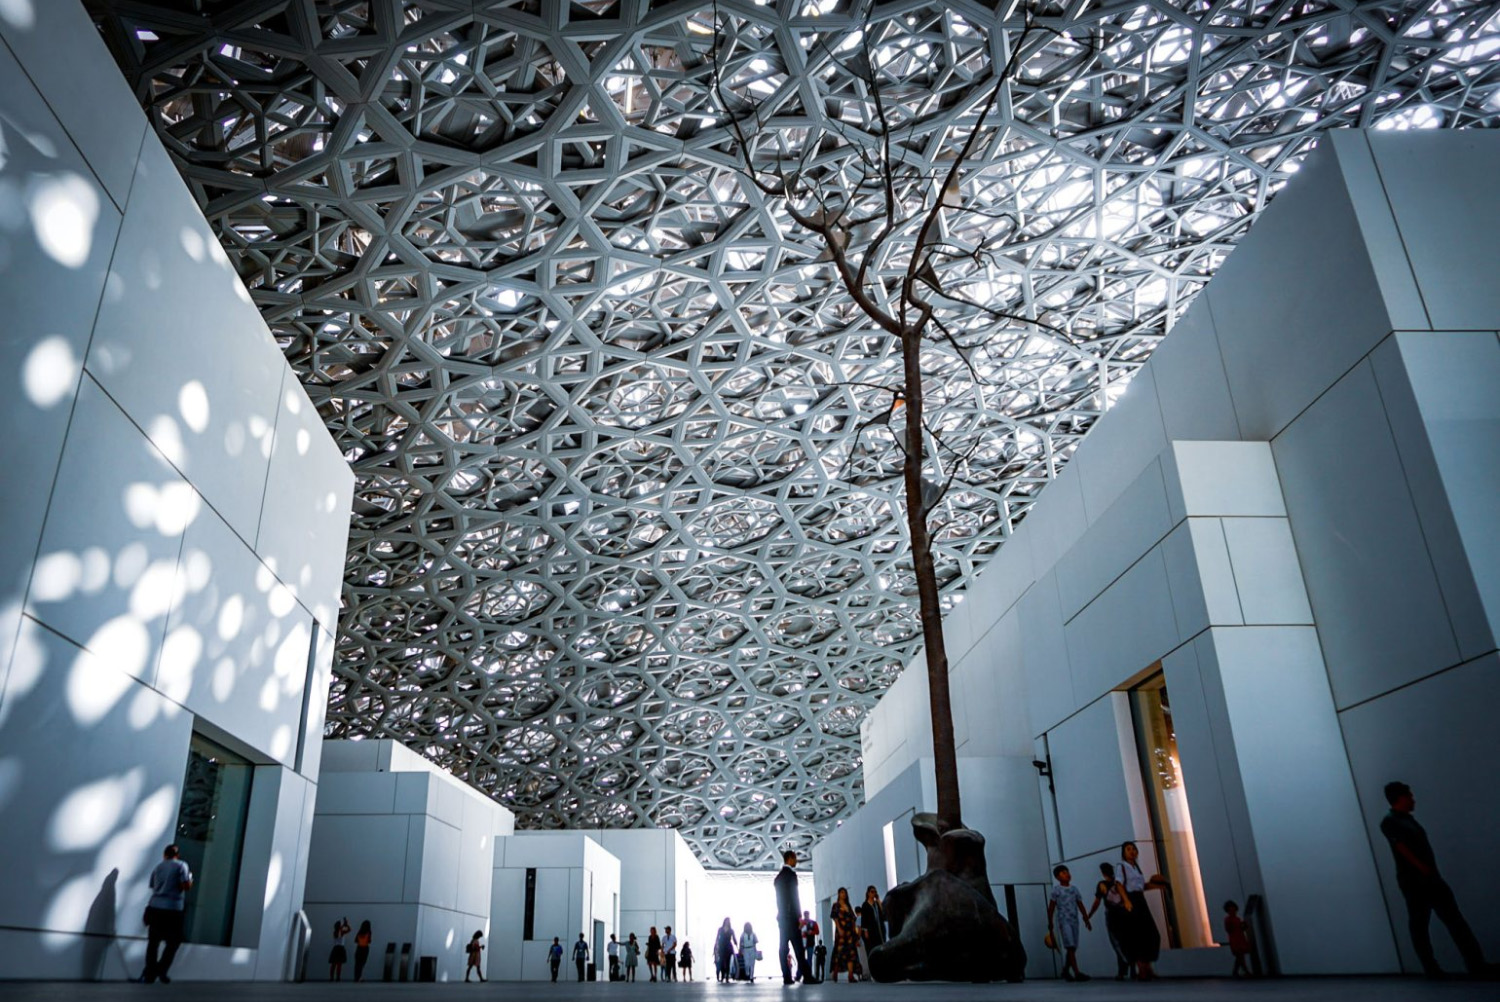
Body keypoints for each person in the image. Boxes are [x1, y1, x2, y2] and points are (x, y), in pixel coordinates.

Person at [1380, 781, 1490, 977]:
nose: (1413, 799)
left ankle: (1473, 964)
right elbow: (1401, 846)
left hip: (1427, 878)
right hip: (1416, 882)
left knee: (1448, 921)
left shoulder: (1406, 821)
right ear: (1401, 798)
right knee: (1425, 924)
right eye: (1410, 796)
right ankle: (1437, 967)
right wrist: (1422, 867)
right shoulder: (1391, 822)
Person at [140, 844, 192, 984]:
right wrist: (190, 880)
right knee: (174, 941)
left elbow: (152, 886)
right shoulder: (181, 865)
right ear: (177, 855)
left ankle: (150, 973)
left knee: (153, 943)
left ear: (165, 854)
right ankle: (160, 969)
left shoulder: (158, 867)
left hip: (155, 906)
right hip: (173, 909)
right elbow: (185, 886)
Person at [1119, 841, 1167, 981]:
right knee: (1138, 934)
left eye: (1134, 849)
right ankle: (1142, 969)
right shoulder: (1122, 867)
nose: (1132, 851)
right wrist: (1126, 900)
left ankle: (1148, 967)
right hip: (1131, 901)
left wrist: (1157, 886)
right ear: (1124, 852)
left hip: (1140, 899)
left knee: (1151, 934)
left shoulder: (1136, 868)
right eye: (1128, 849)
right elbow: (1119, 885)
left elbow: (1141, 887)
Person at [1085, 862, 1132, 980]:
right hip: (1124, 913)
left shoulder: (1103, 884)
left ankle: (1125, 966)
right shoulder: (1119, 882)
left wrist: (1089, 915)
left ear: (1102, 872)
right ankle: (1129, 969)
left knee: (1116, 943)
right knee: (1125, 940)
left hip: (1112, 914)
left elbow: (1097, 902)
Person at [774, 849, 812, 984]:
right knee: (799, 949)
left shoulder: (778, 878)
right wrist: (799, 917)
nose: (797, 861)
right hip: (792, 919)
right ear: (790, 859)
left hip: (782, 918)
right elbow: (794, 897)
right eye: (795, 858)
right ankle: (807, 976)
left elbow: (780, 900)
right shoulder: (791, 876)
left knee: (783, 948)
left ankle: (787, 977)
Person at [1048, 864, 1092, 981]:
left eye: (1067, 872)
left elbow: (1080, 904)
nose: (1066, 874)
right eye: (1063, 873)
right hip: (1064, 920)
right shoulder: (1056, 890)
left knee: (1072, 947)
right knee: (1070, 946)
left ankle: (1066, 970)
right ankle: (1077, 972)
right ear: (1057, 877)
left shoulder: (1074, 890)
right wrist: (1050, 922)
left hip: (1074, 921)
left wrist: (1086, 917)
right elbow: (1051, 907)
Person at [829, 886, 861, 982]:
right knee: (840, 952)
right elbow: (835, 917)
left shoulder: (848, 905)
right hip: (841, 932)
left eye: (845, 892)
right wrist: (839, 928)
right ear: (839, 894)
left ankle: (850, 976)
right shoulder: (836, 905)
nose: (843, 894)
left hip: (850, 932)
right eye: (841, 892)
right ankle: (835, 971)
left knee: (851, 952)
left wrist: (855, 932)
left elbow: (853, 918)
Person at [1223, 901, 1252, 978]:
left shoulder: (1235, 919)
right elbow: (1229, 929)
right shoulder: (1231, 919)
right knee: (1240, 956)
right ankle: (1245, 971)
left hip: (1238, 938)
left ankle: (1236, 972)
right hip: (1236, 939)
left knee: (1239, 957)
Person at [714, 917, 738, 982]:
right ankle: (722, 976)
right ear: (724, 921)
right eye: (727, 921)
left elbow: (734, 939)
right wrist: (715, 947)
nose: (728, 922)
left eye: (729, 921)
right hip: (721, 947)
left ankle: (727, 977)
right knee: (721, 962)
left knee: (727, 962)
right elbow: (717, 938)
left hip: (728, 947)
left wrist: (737, 946)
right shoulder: (720, 929)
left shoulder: (731, 930)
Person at [329, 916, 351, 981]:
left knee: (333, 964)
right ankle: (338, 977)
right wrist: (346, 924)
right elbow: (349, 929)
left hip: (335, 948)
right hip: (340, 948)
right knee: (339, 964)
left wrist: (344, 924)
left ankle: (331, 977)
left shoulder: (335, 932)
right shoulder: (341, 932)